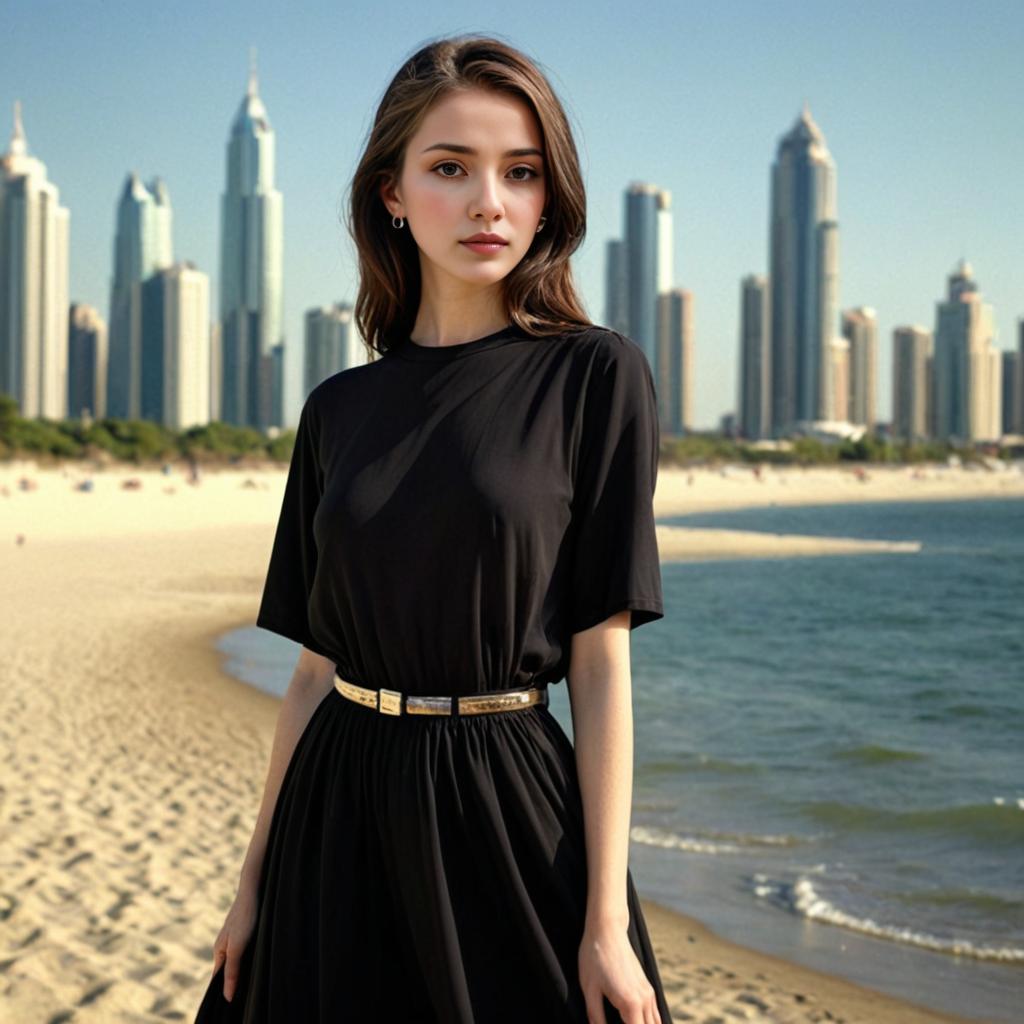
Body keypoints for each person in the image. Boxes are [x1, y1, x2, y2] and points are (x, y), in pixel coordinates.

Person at [194, 33, 672, 1024]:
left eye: (520, 172)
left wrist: (603, 923)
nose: (488, 201)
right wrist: (249, 888)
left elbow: (599, 666)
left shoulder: (596, 376)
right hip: (339, 807)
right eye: (450, 168)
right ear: (393, 194)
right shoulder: (337, 409)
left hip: (508, 804)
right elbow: (312, 673)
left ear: (548, 200)